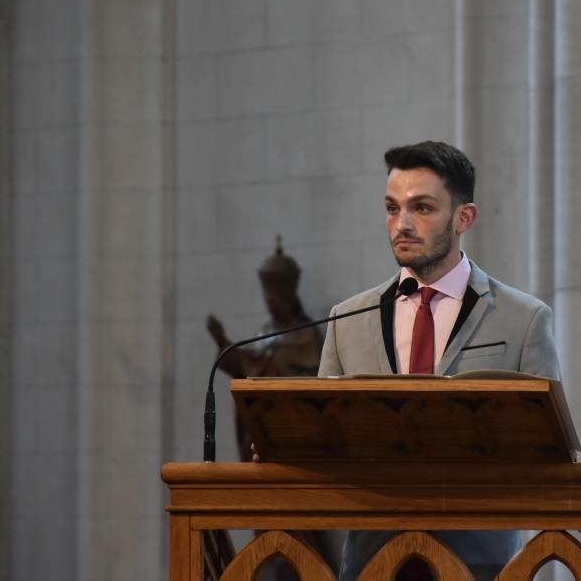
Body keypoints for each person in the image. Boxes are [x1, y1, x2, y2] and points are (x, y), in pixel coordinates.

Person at [318, 141, 562, 581]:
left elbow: (551, 453)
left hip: (482, 564)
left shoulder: (524, 319)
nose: (402, 225)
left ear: (464, 217)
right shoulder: (347, 319)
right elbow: (322, 439)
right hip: (374, 563)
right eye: (392, 209)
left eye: (422, 208)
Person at [207, 237, 324, 462]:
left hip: (294, 424)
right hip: (261, 426)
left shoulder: (309, 333)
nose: (270, 306)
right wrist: (222, 342)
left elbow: (319, 380)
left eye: (273, 301)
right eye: (267, 301)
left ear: (287, 299)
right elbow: (247, 366)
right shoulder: (265, 331)